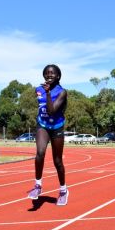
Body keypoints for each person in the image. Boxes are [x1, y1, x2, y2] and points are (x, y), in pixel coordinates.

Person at [27, 64, 69, 206]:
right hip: (43, 125)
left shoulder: (62, 92)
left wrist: (49, 93)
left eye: (52, 73)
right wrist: (44, 92)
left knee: (57, 161)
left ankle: (63, 190)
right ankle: (38, 185)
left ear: (58, 76)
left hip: (56, 127)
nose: (49, 75)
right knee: (40, 153)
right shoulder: (38, 90)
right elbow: (42, 107)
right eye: (46, 73)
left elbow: (51, 111)